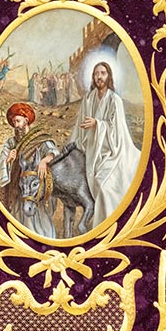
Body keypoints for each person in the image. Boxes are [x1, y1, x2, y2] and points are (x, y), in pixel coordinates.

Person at [68, 61, 140, 226]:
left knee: (105, 187)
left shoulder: (115, 101)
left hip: (112, 152)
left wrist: (98, 124)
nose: (99, 77)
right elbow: (80, 127)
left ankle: (107, 226)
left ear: (109, 77)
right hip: (92, 151)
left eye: (103, 73)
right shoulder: (88, 99)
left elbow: (117, 132)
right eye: (96, 74)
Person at [0, 102, 58, 236]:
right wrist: (7, 160)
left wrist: (44, 160)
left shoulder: (39, 139)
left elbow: (53, 152)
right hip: (18, 190)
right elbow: (1, 161)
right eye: (13, 122)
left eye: (18, 121)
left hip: (36, 190)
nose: (16, 125)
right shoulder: (11, 143)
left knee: (40, 223)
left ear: (26, 120)